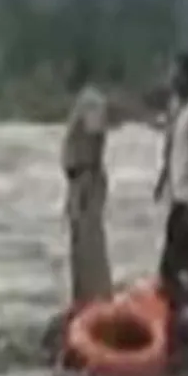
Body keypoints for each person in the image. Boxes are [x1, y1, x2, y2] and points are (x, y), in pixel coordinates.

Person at [155, 51, 188, 333]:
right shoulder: (180, 106)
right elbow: (173, 150)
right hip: (179, 195)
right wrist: (163, 182)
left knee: (183, 265)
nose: (171, 78)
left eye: (176, 72)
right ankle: (184, 318)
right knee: (177, 264)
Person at [61, 59, 113, 306]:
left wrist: (88, 177)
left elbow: (96, 137)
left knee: (89, 241)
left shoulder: (90, 100)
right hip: (80, 176)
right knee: (80, 240)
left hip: (86, 176)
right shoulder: (82, 100)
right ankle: (83, 298)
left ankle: (96, 298)